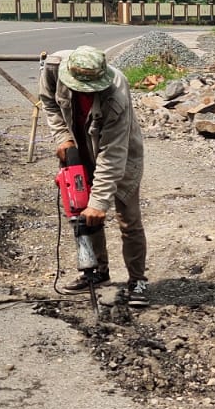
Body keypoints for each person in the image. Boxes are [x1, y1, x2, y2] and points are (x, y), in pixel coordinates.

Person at [39, 45, 150, 308]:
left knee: (128, 218)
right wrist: (63, 138)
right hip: (78, 145)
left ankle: (137, 280)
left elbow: (112, 155)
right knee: (80, 212)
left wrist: (99, 202)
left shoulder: (116, 94)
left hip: (121, 153)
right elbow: (49, 103)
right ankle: (97, 272)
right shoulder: (54, 68)